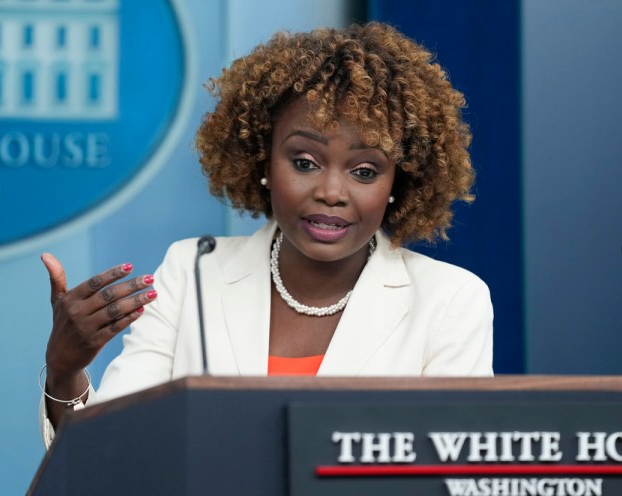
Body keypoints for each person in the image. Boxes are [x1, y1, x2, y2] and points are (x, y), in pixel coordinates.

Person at [39, 22, 493, 445]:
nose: (331, 192)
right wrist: (65, 372)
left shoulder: (449, 300)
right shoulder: (193, 273)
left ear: (399, 182)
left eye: (364, 170)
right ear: (262, 162)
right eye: (304, 162)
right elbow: (117, 454)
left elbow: (451, 474)